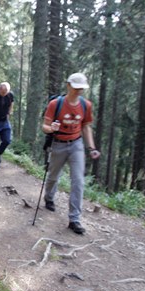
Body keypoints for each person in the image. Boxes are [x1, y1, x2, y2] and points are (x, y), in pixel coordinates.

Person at [42, 72, 100, 235]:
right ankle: (49, 197)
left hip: (76, 145)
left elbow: (86, 127)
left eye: (81, 88)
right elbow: (45, 126)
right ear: (68, 85)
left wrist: (91, 148)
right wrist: (51, 128)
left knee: (78, 181)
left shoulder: (86, 105)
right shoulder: (55, 104)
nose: (78, 91)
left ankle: (74, 219)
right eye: (76, 88)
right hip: (58, 144)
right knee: (53, 176)